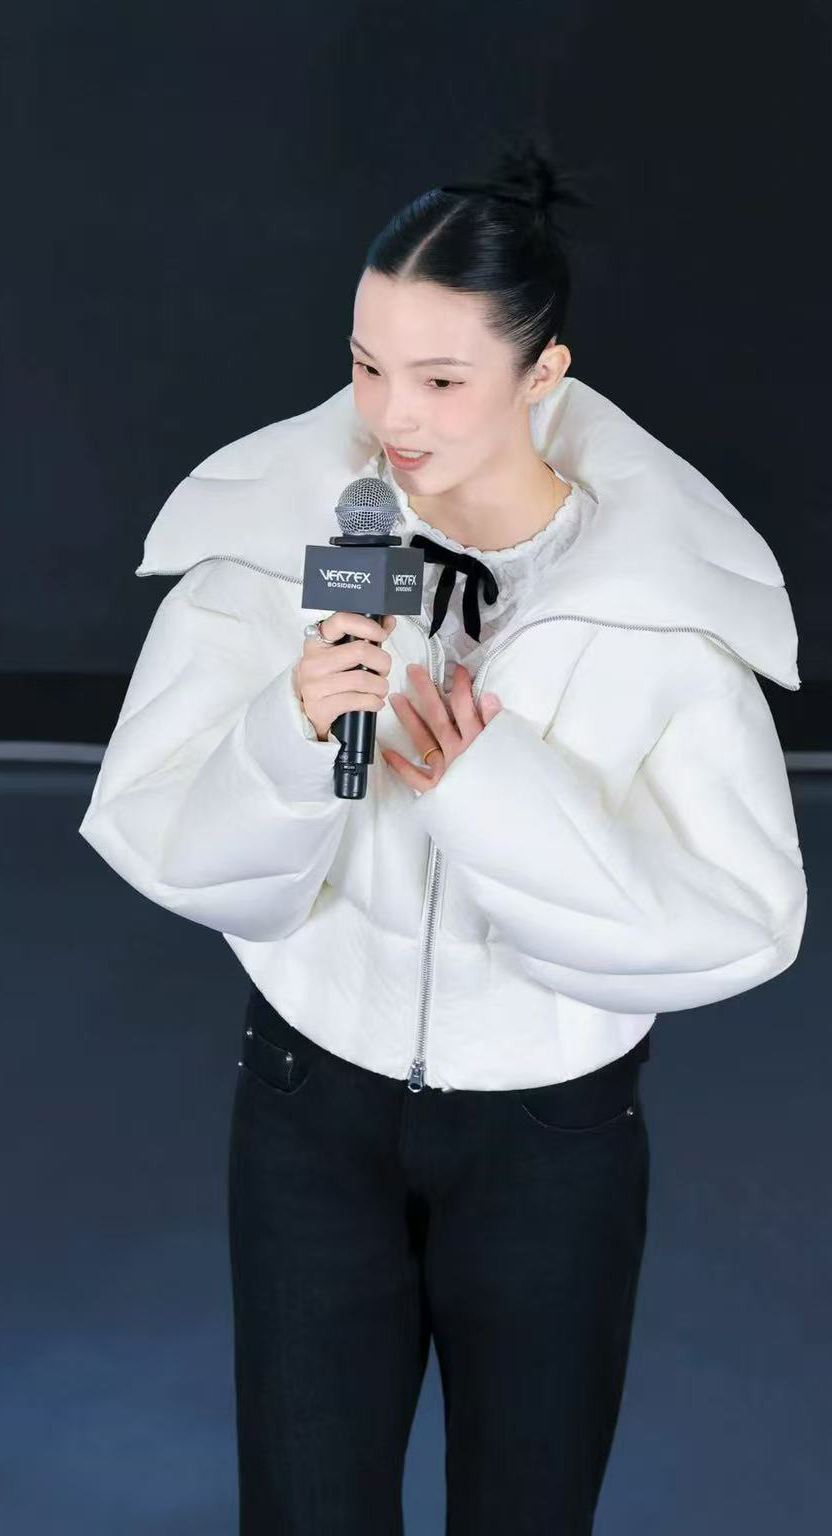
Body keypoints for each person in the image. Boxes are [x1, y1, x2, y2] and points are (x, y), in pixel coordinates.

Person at [78, 133, 807, 1534]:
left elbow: (744, 923)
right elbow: (155, 829)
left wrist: (492, 794)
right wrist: (292, 736)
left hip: (550, 1144)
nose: (389, 415)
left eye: (440, 379)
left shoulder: (656, 604)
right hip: (308, 1111)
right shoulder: (283, 540)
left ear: (544, 373)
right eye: (365, 366)